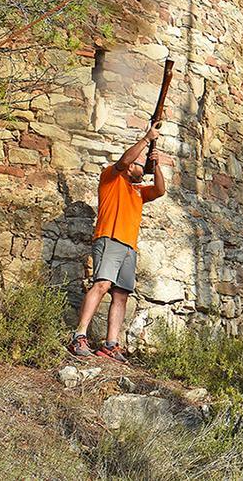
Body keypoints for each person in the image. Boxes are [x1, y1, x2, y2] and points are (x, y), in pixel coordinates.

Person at [67, 122, 169, 361]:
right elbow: (124, 161)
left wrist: (156, 165)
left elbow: (160, 190)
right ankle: (79, 336)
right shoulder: (111, 178)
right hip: (110, 238)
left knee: (121, 295)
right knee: (102, 285)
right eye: (140, 164)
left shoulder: (138, 191)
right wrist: (146, 139)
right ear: (130, 166)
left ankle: (111, 344)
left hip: (129, 247)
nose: (142, 167)